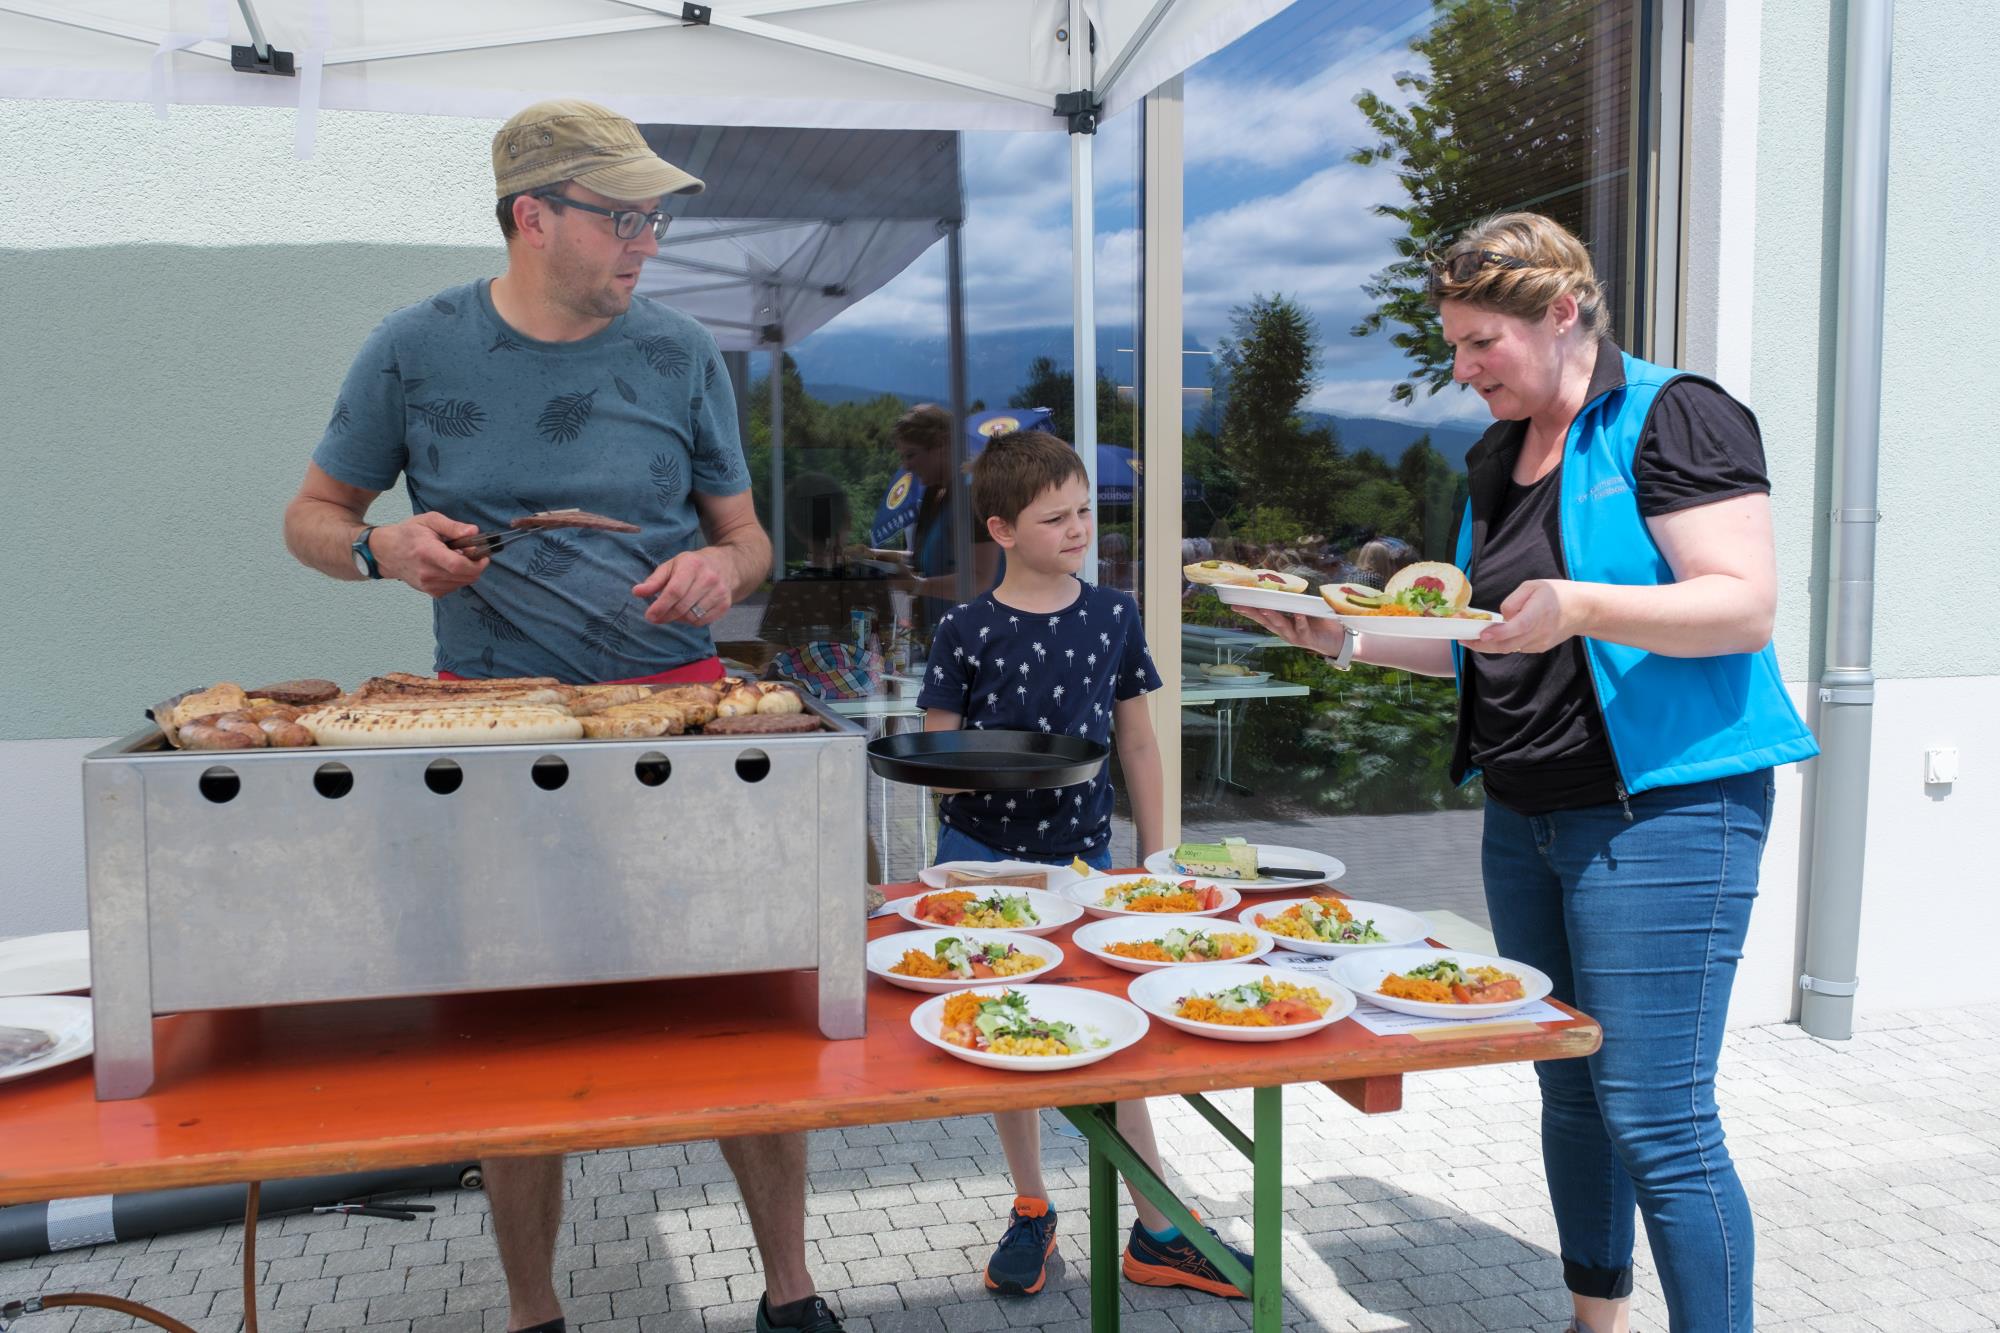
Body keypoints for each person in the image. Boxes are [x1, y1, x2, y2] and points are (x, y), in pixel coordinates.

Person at [281, 99, 847, 1333]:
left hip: (679, 717)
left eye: (653, 220)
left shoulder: (680, 352)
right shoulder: (412, 348)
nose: (647, 243)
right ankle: (534, 1312)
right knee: (510, 1024)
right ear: (531, 217)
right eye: (623, 217)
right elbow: (311, 517)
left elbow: (746, 537)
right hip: (486, 733)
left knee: (737, 1001)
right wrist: (380, 548)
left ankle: (791, 1294)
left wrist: (723, 567)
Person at [1238, 213, 1817, 1333]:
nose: (1460, 371)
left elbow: (1741, 605)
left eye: (1478, 343)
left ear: (1560, 314)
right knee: (1570, 1087)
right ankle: (1593, 1321)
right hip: (1525, 813)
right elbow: (1481, 634)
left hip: (1665, 810)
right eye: (1451, 345)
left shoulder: (1673, 414)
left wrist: (1580, 605)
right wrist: (1340, 635)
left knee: (1657, 1116)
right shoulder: (1498, 456)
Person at [916, 430, 1254, 1301]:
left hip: (1086, 861)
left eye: (1082, 512)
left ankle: (1159, 1228)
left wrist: (1157, 858)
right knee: (1002, 1037)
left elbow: (1137, 741)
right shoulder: (963, 626)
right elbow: (935, 755)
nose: (1077, 529)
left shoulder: (1113, 614)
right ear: (1001, 529)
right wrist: (993, 768)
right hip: (980, 864)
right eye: (1054, 517)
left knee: (1117, 1036)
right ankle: (1032, 1204)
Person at [893, 404, 1001, 624]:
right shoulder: (935, 494)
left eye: (911, 455)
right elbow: (930, 560)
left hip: (976, 634)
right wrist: (877, 557)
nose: (906, 466)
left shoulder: (972, 495)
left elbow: (981, 580)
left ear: (942, 444)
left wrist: (917, 586)